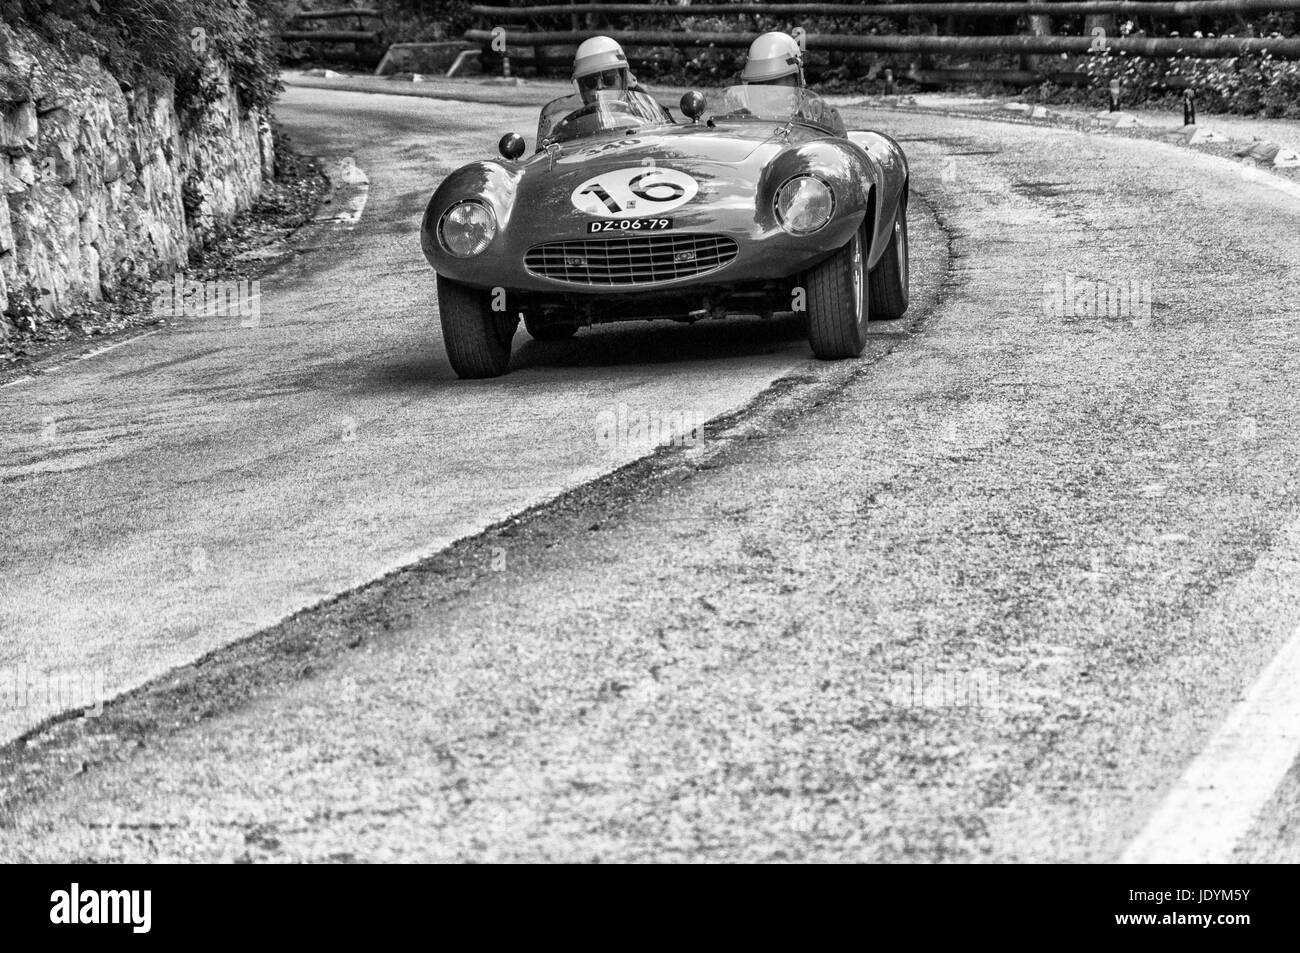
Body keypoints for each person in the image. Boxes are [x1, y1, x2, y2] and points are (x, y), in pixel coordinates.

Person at [536, 36, 669, 145]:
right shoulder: (565, 127)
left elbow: (668, 141)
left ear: (624, 79)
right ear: (581, 87)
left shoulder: (648, 112)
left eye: (609, 78)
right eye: (590, 81)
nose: (599, 87)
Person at [738, 31, 847, 137]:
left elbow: (837, 151)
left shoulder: (822, 117)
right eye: (758, 83)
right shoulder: (739, 119)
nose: (765, 88)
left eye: (774, 81)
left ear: (796, 79)